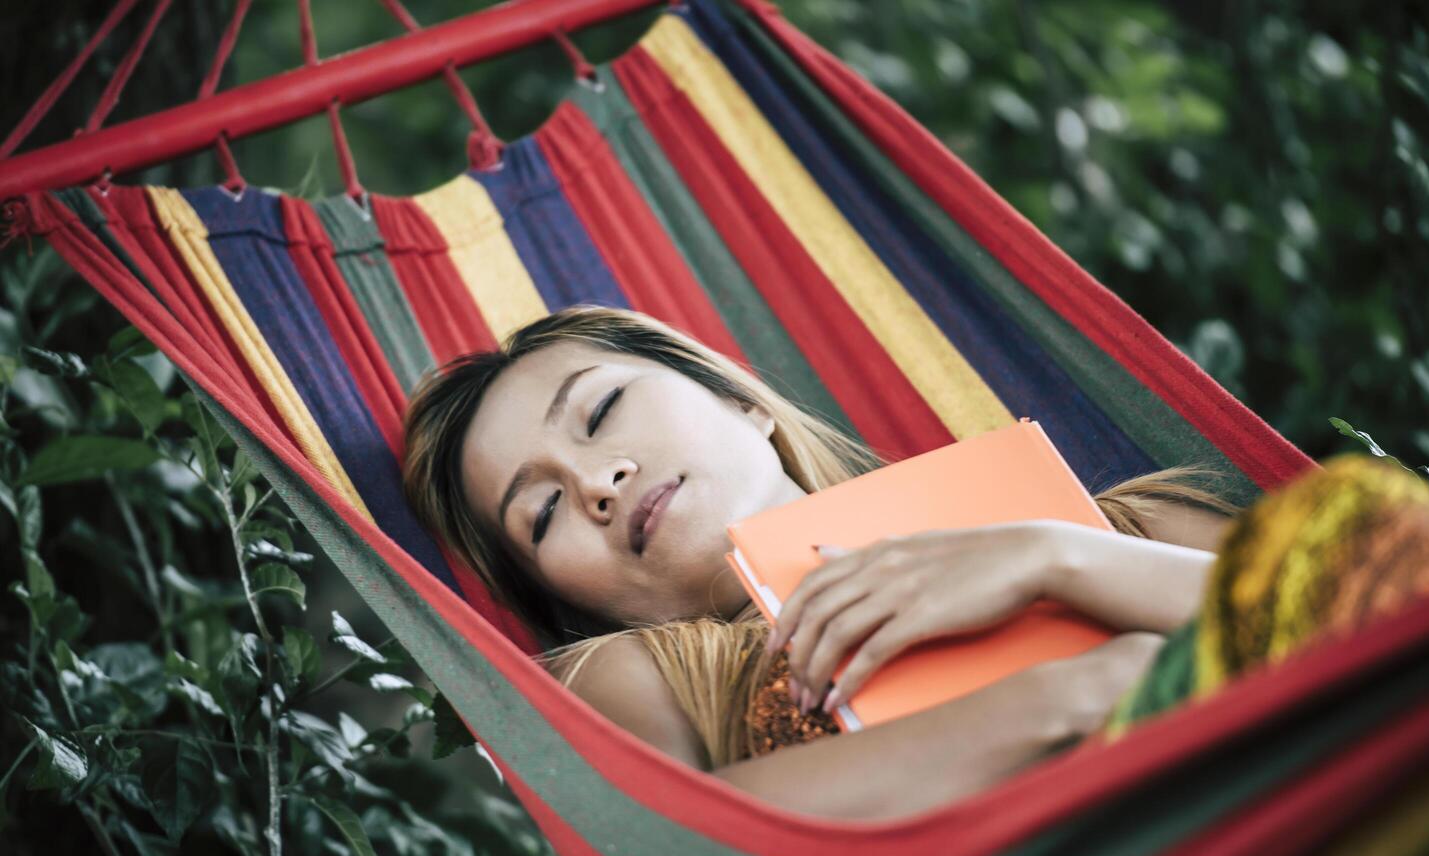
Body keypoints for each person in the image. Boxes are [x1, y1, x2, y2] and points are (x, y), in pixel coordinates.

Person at [401, 305, 1239, 820]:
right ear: (572, 599)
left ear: (739, 400)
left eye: (603, 409)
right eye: (541, 515)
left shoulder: (1118, 522)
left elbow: (1355, 619)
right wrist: (1091, 685)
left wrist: (1051, 555)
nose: (596, 481)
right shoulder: (637, 676)